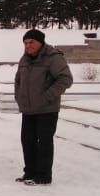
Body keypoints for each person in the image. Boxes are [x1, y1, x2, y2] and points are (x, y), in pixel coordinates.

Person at [14, 29, 73, 186]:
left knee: (44, 142)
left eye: (31, 42)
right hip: (28, 108)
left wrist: (48, 96)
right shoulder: (24, 59)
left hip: (47, 109)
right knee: (27, 140)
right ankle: (30, 172)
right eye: (26, 43)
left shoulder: (53, 58)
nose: (28, 45)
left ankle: (43, 175)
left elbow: (65, 79)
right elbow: (18, 80)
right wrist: (19, 97)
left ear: (41, 42)